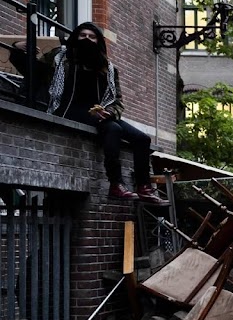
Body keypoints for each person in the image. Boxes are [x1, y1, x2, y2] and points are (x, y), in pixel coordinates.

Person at [12, 23, 169, 204]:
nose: (87, 39)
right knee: (113, 130)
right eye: (83, 35)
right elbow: (31, 70)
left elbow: (116, 99)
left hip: (98, 113)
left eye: (91, 36)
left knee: (143, 139)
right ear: (76, 38)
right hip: (66, 110)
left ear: (98, 41)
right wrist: (17, 48)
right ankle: (115, 184)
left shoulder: (108, 69)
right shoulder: (59, 58)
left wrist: (109, 112)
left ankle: (144, 188)